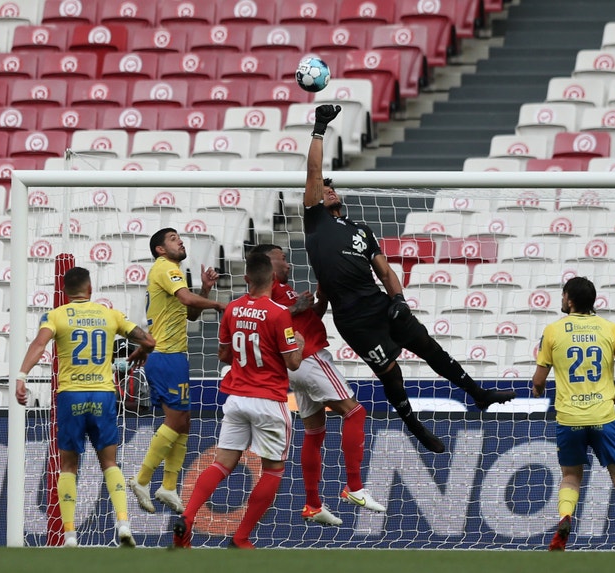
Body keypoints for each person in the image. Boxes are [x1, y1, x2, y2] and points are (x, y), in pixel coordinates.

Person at [302, 105, 515, 454]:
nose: (327, 189)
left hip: (380, 303)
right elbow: (313, 171)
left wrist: (398, 300)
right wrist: (320, 127)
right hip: (354, 319)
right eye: (323, 187)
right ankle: (414, 426)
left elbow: (385, 271)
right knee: (391, 373)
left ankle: (480, 395)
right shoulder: (316, 222)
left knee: (429, 347)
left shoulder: (361, 230)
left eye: (330, 186)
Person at [15, 266, 156, 548]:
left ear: (65, 292)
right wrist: (140, 352)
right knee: (110, 462)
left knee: (68, 465)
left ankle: (69, 535)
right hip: (103, 395)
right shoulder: (109, 314)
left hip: (71, 396)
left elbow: (39, 344)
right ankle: (124, 524)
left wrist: (21, 376)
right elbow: (148, 340)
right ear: (90, 289)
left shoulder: (55, 315)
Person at [173, 252, 305, 548]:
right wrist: (300, 343)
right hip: (269, 401)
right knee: (273, 470)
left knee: (222, 464)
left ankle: (189, 518)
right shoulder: (279, 313)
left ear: (246, 279)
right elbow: (293, 363)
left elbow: (222, 355)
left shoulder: (232, 309)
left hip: (236, 399)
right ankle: (242, 536)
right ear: (272, 278)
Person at [251, 244, 385, 526]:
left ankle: (312, 504)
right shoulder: (267, 290)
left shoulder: (283, 291)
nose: (288, 264)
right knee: (355, 412)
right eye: (282, 259)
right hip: (310, 357)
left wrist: (319, 297)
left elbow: (308, 317)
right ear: (267, 263)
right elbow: (267, 317)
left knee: (314, 432)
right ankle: (354, 487)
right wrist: (294, 307)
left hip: (299, 364)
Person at [531, 276, 615, 552]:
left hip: (569, 417)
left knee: (570, 476)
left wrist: (538, 389)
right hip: (603, 415)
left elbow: (538, 379)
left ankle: (565, 517)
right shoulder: (609, 328)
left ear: (569, 300)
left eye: (562, 296)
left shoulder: (553, 331)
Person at [129, 228, 228, 515]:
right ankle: (142, 479)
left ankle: (168, 485)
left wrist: (206, 291)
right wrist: (220, 304)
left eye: (179, 238)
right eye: (173, 239)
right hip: (167, 357)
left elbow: (190, 313)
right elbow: (187, 300)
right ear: (160, 249)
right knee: (175, 421)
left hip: (172, 355)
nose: (180, 241)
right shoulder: (166, 268)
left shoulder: (172, 273)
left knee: (184, 423)